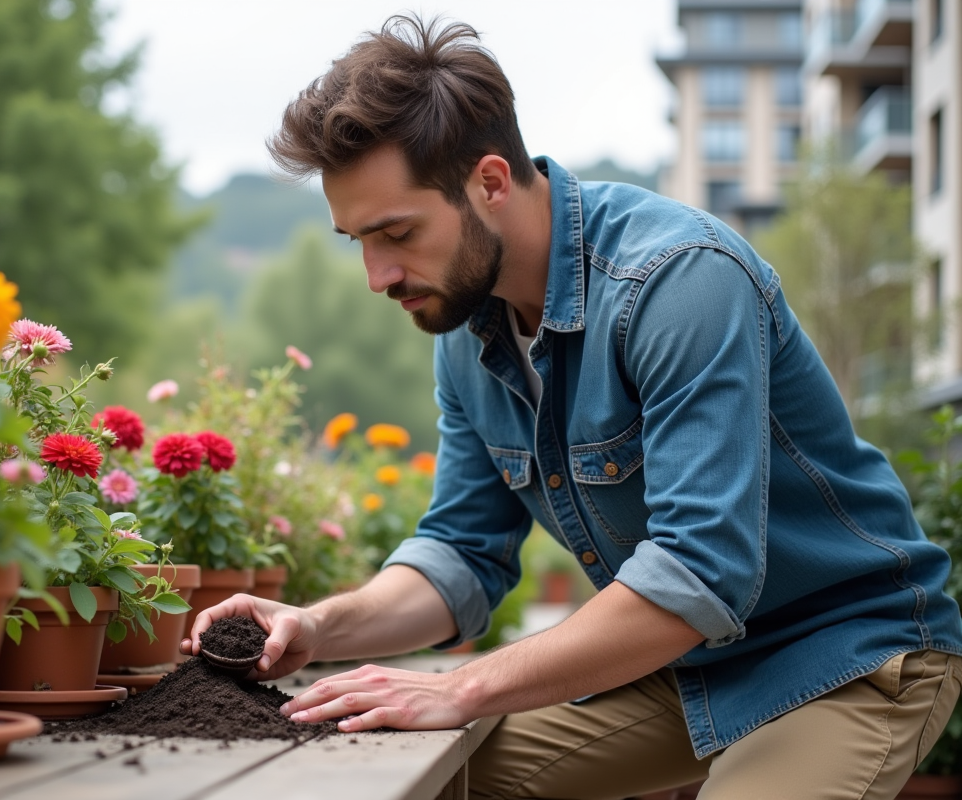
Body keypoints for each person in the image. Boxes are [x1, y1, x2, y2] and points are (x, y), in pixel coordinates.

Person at [180, 15, 962, 800]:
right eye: (358, 240)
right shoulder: (464, 326)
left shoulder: (680, 280)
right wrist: (320, 626)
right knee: (411, 773)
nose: (378, 276)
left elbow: (700, 571)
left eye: (398, 233)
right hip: (683, 665)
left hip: (845, 654)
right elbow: (461, 551)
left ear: (490, 183)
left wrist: (464, 686)